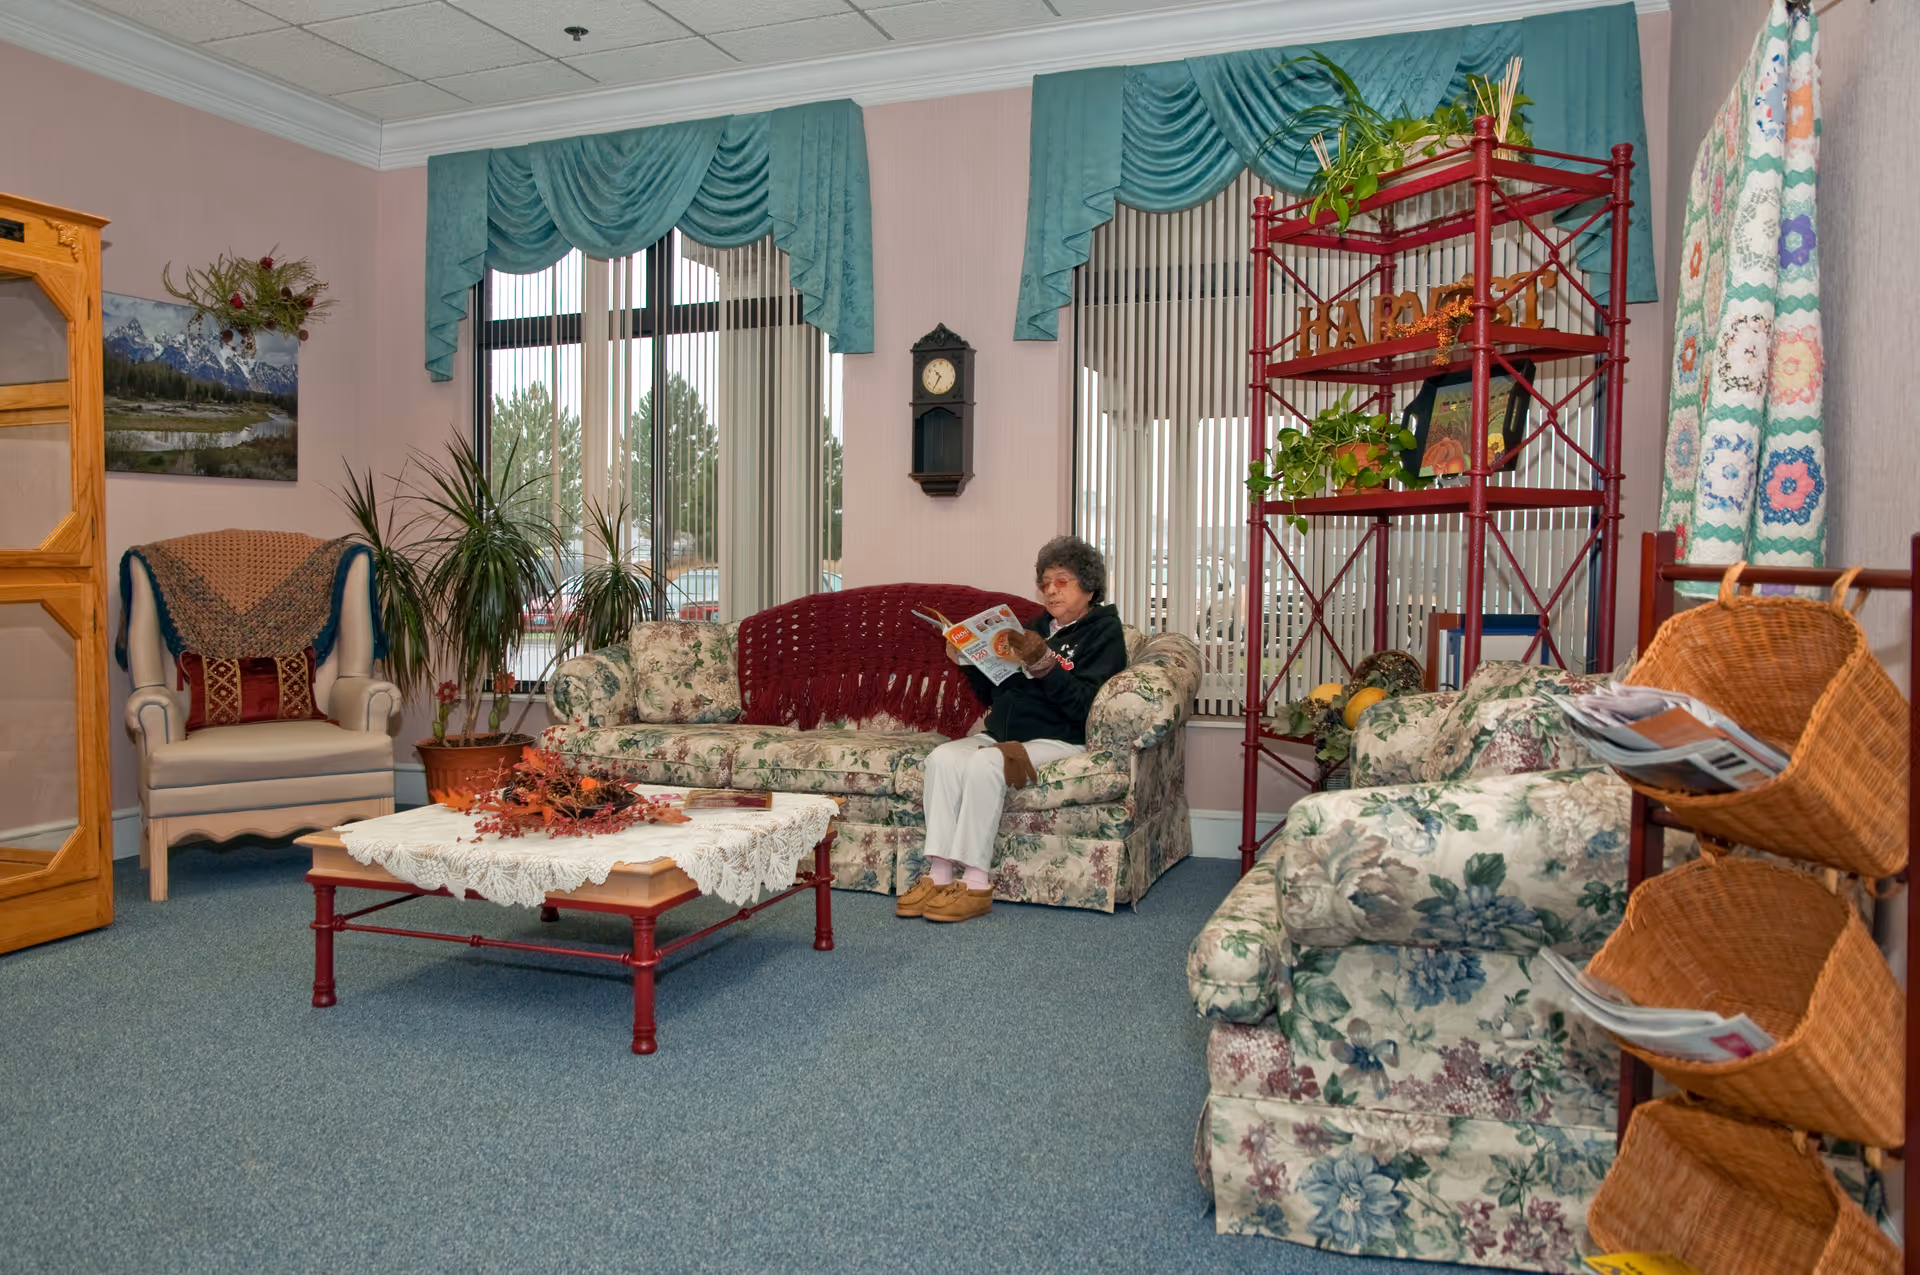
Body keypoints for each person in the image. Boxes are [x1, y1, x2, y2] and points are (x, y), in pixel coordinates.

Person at [899, 535, 1128, 923]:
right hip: (1005, 734)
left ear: (1089, 586)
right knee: (942, 758)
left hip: (1058, 738)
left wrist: (1046, 666)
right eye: (1045, 582)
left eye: (1063, 580)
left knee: (985, 765)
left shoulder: (1104, 634)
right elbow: (998, 691)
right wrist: (970, 662)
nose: (1051, 590)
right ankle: (938, 874)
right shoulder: (1034, 627)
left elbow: (1085, 708)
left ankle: (974, 884)